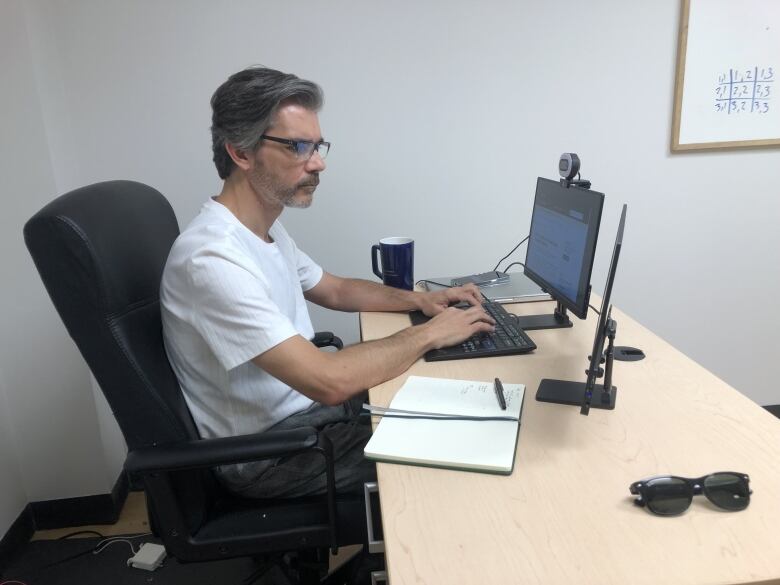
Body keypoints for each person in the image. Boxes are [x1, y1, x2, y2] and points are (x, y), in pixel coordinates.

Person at [160, 66, 495, 499]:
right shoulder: (211, 259)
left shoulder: (263, 228)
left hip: (310, 418)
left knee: (455, 406)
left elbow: (334, 289)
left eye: (318, 146)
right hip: (271, 456)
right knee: (467, 445)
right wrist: (429, 333)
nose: (318, 163)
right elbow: (327, 380)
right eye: (299, 147)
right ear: (241, 153)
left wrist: (423, 300)